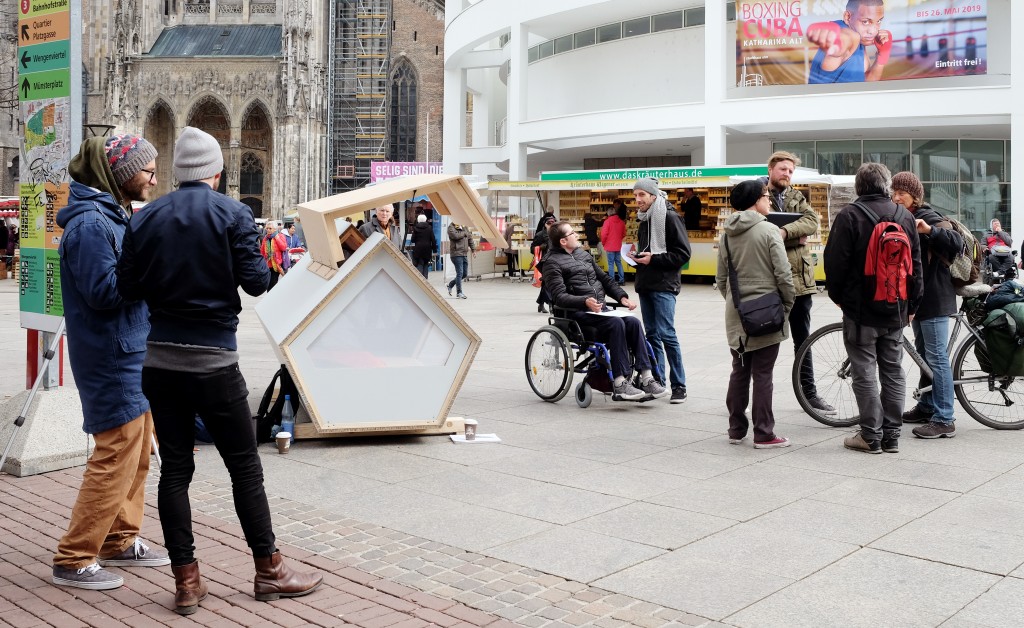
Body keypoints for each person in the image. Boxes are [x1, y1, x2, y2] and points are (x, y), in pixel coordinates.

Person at [117, 127, 322, 615]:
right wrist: (266, 270)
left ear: (175, 171)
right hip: (213, 361)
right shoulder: (233, 213)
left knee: (176, 473)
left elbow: (125, 288)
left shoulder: (146, 219)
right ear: (214, 171)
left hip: (160, 361)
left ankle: (187, 581)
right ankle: (269, 570)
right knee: (244, 468)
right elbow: (255, 284)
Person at [51, 134, 170, 591]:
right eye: (147, 170)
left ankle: (120, 538)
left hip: (129, 350)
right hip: (109, 356)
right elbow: (102, 292)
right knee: (115, 453)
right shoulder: (89, 226)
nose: (154, 179)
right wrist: (149, 273)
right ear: (121, 176)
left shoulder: (109, 216)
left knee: (139, 452)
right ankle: (74, 556)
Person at [824, 162, 923, 454]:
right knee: (893, 370)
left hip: (860, 310)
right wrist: (912, 305)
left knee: (864, 370)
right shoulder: (904, 215)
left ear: (859, 186)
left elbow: (834, 264)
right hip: (895, 307)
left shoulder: (849, 216)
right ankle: (892, 435)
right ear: (886, 186)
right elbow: (915, 266)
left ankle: (870, 435)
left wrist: (839, 297)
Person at [543, 220, 667, 400]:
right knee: (616, 323)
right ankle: (619, 382)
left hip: (599, 310)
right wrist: (585, 301)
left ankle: (647, 377)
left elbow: (604, 279)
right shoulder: (551, 263)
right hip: (576, 315)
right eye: (572, 233)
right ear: (563, 241)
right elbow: (559, 297)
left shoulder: (583, 255)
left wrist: (621, 296)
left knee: (632, 321)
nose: (577, 236)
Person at [716, 180, 795, 448]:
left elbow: (722, 279)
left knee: (739, 371)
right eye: (765, 196)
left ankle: (736, 428)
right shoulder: (769, 230)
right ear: (754, 200)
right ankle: (764, 433)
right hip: (766, 311)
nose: (769, 200)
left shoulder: (727, 234)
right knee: (763, 374)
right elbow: (783, 274)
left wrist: (736, 304)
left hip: (737, 314)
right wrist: (786, 304)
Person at [760, 151, 835, 414]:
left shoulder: (796, 196)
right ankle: (754, 397)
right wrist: (794, 237)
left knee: (803, 340)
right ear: (771, 169)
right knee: (763, 341)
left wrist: (784, 231)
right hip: (769, 282)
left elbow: (812, 221)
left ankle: (809, 394)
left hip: (800, 283)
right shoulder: (757, 195)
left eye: (790, 171)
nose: (787, 174)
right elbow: (757, 231)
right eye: (782, 169)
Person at [891, 172, 963, 441]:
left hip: (935, 298)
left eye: (902, 193)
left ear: (915, 196)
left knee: (936, 358)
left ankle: (945, 418)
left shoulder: (930, 216)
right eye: (894, 192)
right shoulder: (901, 216)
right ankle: (926, 406)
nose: (897, 197)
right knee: (924, 356)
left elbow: (956, 243)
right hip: (920, 299)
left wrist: (930, 230)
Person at [628, 177, 692, 404]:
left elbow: (683, 255)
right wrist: (638, 256)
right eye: (635, 196)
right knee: (652, 335)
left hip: (664, 284)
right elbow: (651, 252)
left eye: (641, 195)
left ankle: (679, 385)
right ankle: (658, 382)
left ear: (653, 196)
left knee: (667, 334)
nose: (637, 200)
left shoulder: (670, 217)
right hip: (646, 283)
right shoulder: (645, 219)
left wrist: (653, 259)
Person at [806, 0, 891, 84]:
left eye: (879, 21)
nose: (873, 31)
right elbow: (846, 38)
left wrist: (882, 57)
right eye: (865, 22)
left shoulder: (860, 37)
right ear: (847, 17)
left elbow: (866, 83)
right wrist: (836, 43)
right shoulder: (852, 35)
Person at [531, 215, 556, 312]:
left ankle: (541, 304)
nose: (550, 225)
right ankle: (551, 305)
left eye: (552, 223)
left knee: (547, 284)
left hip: (555, 261)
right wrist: (540, 247)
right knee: (547, 283)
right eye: (548, 223)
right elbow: (532, 248)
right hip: (544, 262)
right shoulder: (540, 235)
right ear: (545, 224)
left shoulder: (557, 234)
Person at [446, 221, 475, 299]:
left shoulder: (464, 226)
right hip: (456, 254)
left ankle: (450, 285)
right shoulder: (451, 227)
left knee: (464, 274)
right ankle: (459, 292)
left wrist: (473, 250)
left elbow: (470, 238)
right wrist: (464, 233)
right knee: (460, 273)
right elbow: (455, 236)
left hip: (464, 254)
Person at [601, 202, 627, 285]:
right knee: (618, 263)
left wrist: (604, 243)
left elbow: (604, 234)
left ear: (608, 214)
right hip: (618, 246)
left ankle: (611, 281)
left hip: (609, 246)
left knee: (610, 264)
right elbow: (624, 234)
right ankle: (621, 280)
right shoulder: (621, 222)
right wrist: (618, 240)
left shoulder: (607, 222)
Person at [410, 213, 436, 279]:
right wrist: (434, 250)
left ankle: (420, 280)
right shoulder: (429, 228)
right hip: (427, 249)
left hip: (418, 249)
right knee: (426, 264)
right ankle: (425, 278)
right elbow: (433, 239)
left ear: (418, 220)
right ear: (425, 220)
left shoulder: (415, 228)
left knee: (420, 264)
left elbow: (412, 240)